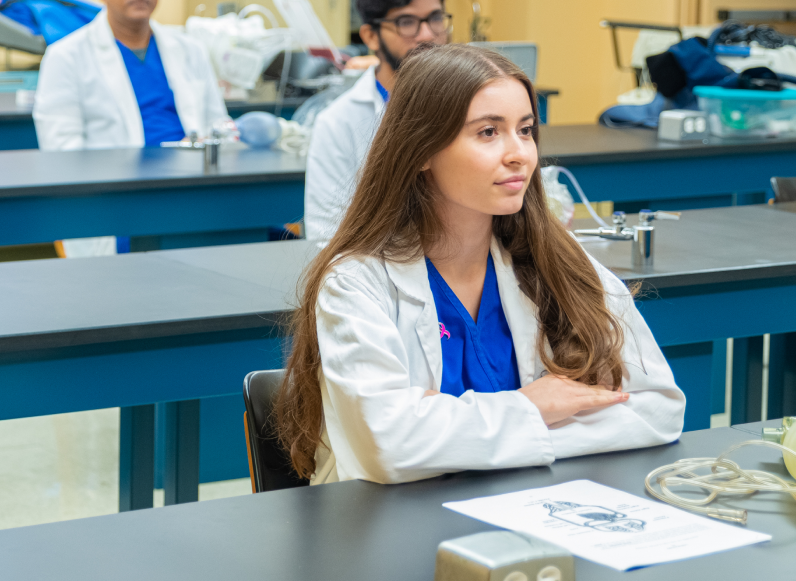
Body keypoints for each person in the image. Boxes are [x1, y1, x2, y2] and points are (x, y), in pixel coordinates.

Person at [277, 44, 685, 485]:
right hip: (394, 533)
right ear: (421, 150)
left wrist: (463, 433)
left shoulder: (561, 260)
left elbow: (658, 408)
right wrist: (534, 408)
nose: (519, 154)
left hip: (526, 510)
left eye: (525, 130)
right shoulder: (357, 282)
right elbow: (388, 445)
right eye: (489, 132)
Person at [33, 0, 228, 256]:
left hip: (193, 194)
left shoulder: (189, 51)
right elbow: (62, 154)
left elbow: (218, 127)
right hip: (116, 206)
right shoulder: (65, 56)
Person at [303, 0, 451, 241]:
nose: (427, 35)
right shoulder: (338, 123)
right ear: (371, 36)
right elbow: (326, 238)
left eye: (435, 18)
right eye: (407, 22)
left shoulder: (474, 105)